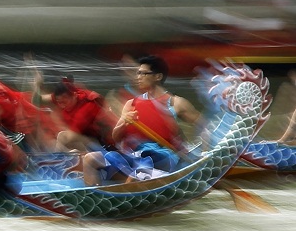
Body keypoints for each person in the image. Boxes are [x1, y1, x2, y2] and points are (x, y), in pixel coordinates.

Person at [82, 55, 203, 186]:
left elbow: (203, 126)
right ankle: (97, 197)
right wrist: (124, 123)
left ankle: (136, 180)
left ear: (158, 77)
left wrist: (202, 153)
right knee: (90, 159)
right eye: (138, 73)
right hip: (135, 155)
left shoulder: (176, 103)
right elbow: (116, 137)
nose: (138, 77)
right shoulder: (131, 104)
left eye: (143, 73)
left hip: (163, 156)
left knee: (142, 167)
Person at [38, 76, 118, 153]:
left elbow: (70, 137)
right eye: (59, 102)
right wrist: (37, 86)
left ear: (74, 96)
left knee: (62, 137)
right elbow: (37, 100)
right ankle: (61, 159)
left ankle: (60, 160)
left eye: (64, 102)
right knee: (61, 138)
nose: (62, 106)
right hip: (86, 138)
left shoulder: (87, 107)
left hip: (105, 146)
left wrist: (55, 117)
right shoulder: (65, 95)